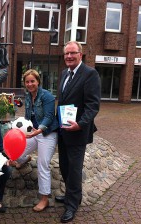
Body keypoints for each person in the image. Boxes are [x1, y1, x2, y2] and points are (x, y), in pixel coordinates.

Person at [55, 41, 101, 223]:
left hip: (78, 131)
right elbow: (62, 101)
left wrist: (80, 124)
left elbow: (93, 105)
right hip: (63, 130)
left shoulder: (90, 74)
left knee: (74, 170)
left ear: (80, 55)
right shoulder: (64, 74)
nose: (69, 57)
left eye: (72, 53)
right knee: (65, 167)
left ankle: (72, 205)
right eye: (66, 54)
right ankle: (71, 196)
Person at [15, 69, 58, 212]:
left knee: (42, 164)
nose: (30, 84)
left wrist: (39, 130)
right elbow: (27, 117)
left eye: (32, 81)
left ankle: (44, 198)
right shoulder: (28, 96)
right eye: (27, 81)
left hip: (47, 132)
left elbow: (49, 116)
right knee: (16, 152)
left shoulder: (47, 96)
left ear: (38, 82)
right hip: (33, 132)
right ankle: (25, 159)